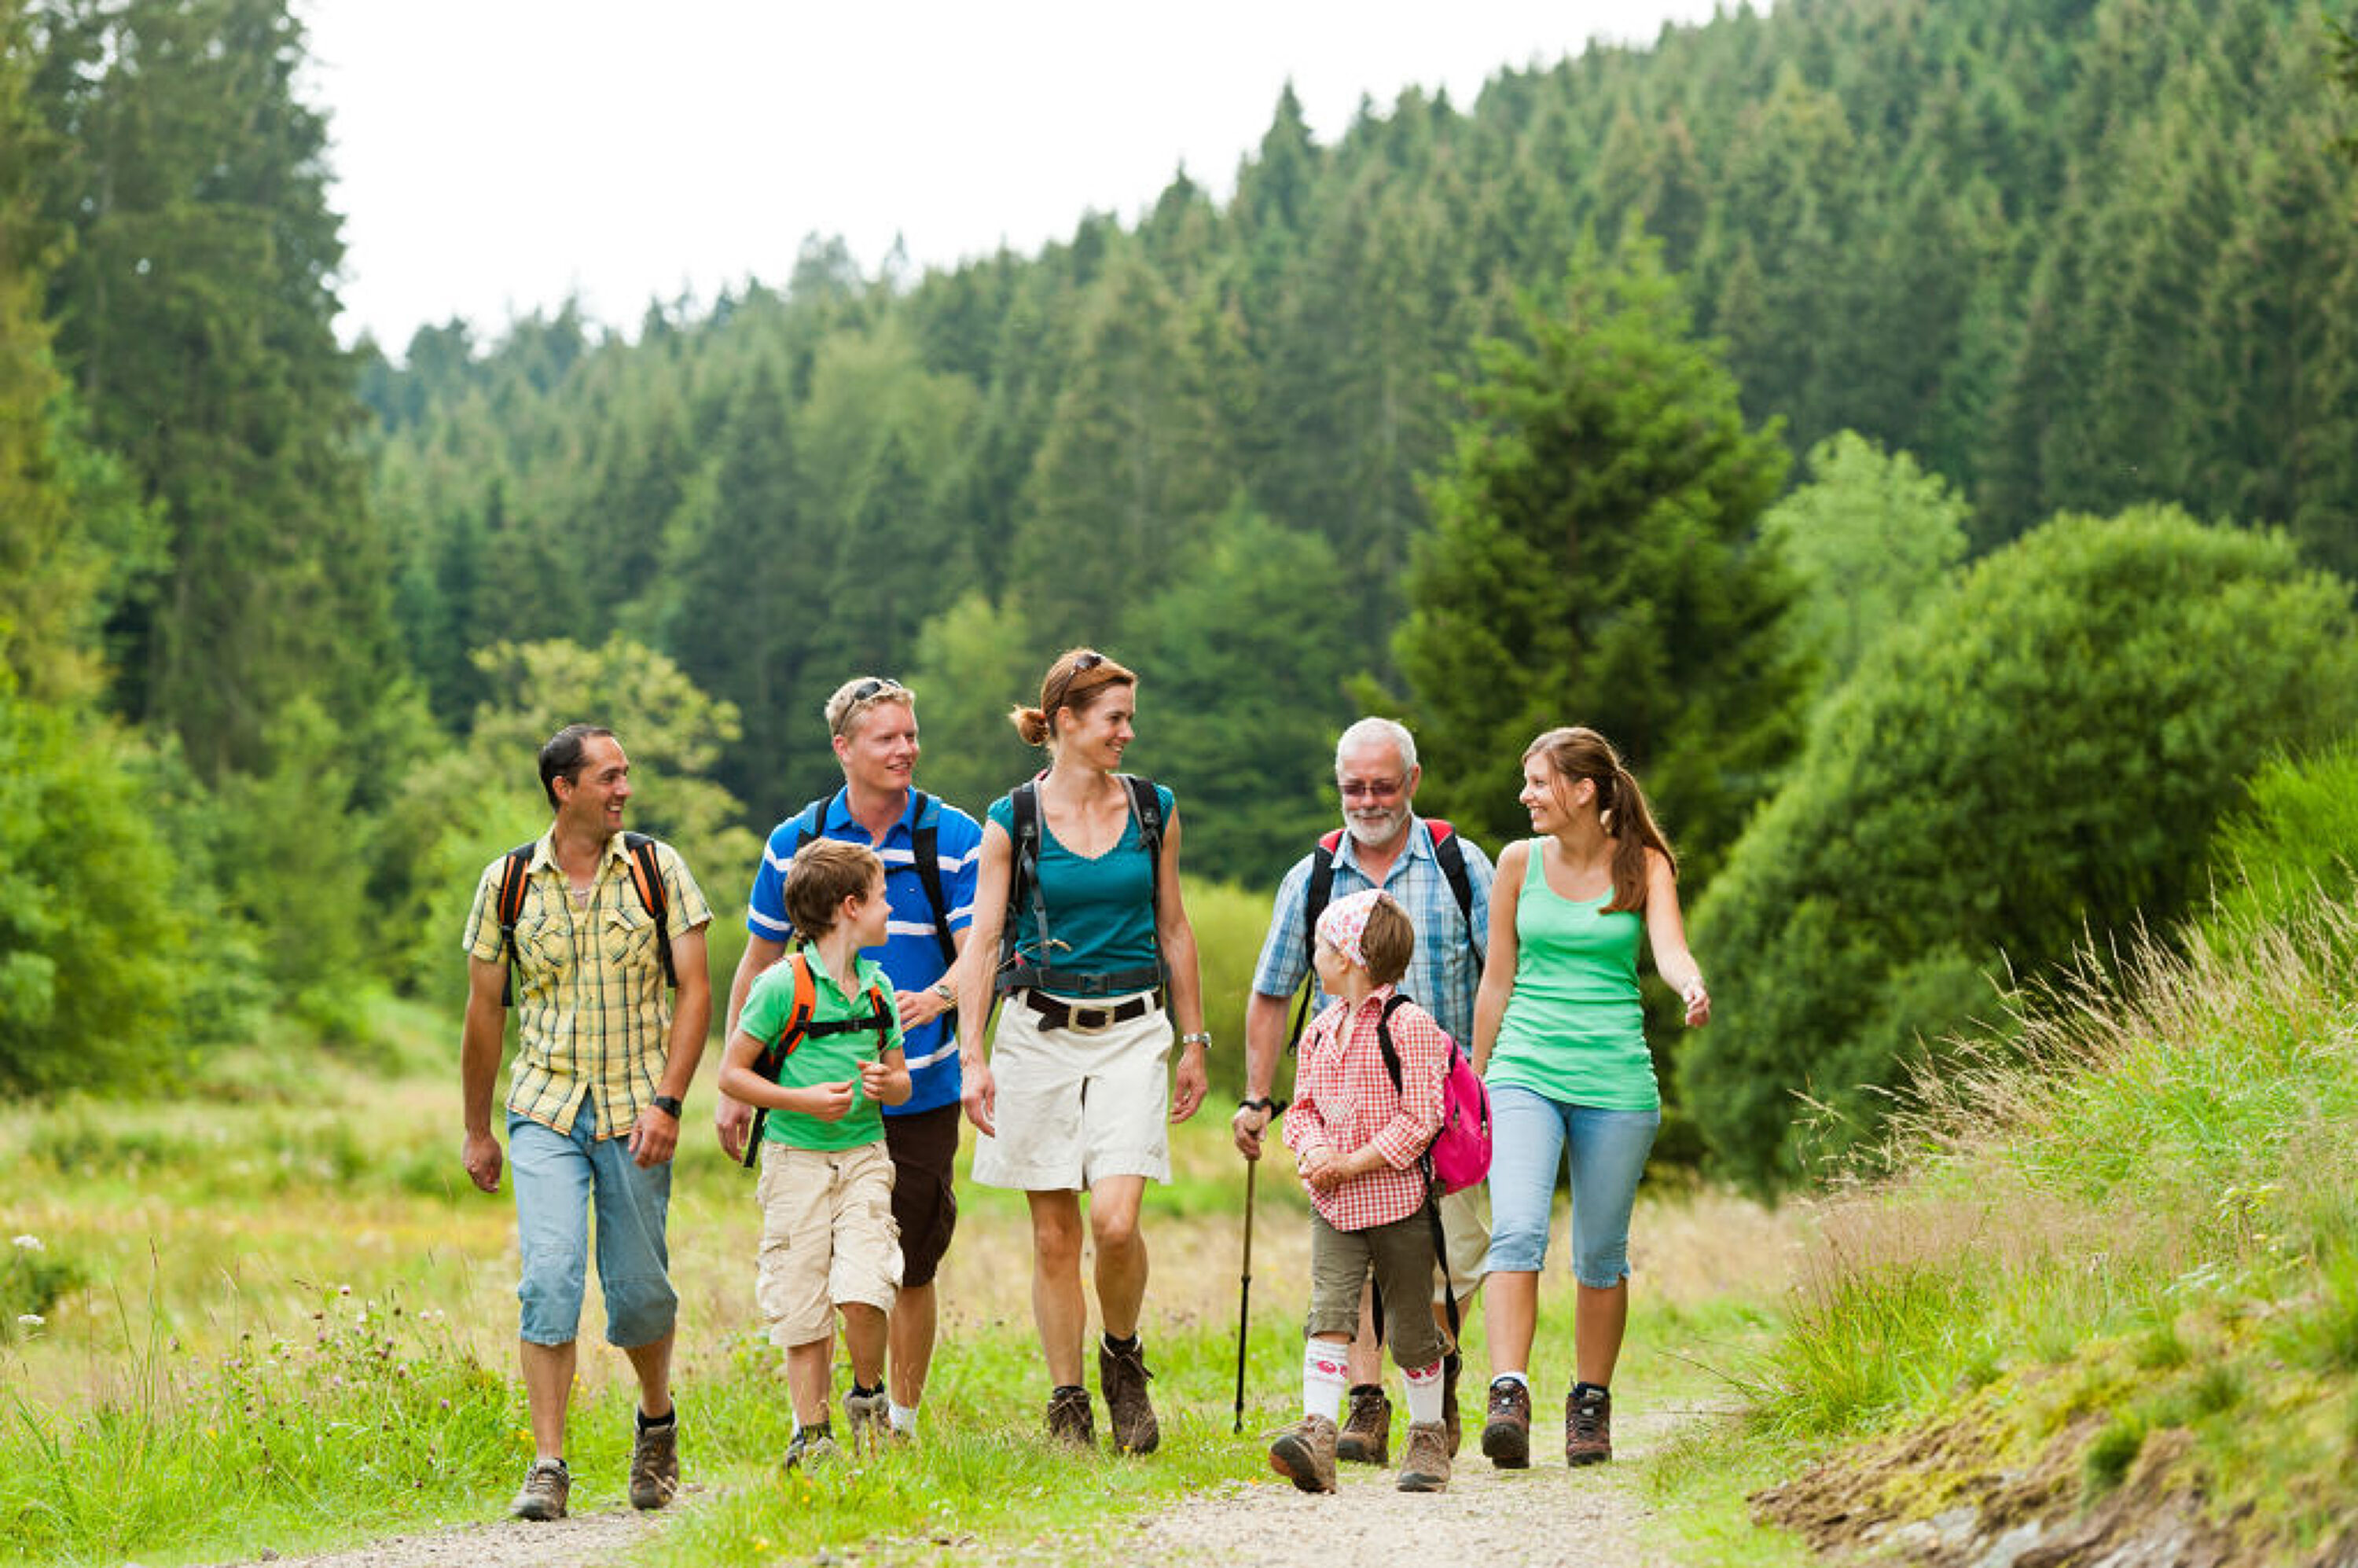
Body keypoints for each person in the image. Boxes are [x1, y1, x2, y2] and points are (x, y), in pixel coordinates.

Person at [952, 648, 1211, 1452]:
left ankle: (1122, 1358)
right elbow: (985, 939)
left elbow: (1174, 926)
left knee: (1118, 1220)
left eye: (1129, 719)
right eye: (1114, 720)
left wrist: (1195, 1038)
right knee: (1055, 1236)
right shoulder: (1012, 822)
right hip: (1037, 1032)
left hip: (1134, 1030)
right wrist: (971, 1054)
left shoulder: (1153, 808)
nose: (1127, 734)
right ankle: (1068, 1401)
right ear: (1066, 721)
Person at [716, 676, 982, 1442]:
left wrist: (928, 1003)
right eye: (887, 738)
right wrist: (741, 1091)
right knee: (808, 1257)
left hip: (918, 1087)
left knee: (911, 1260)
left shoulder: (951, 837)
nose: (907, 749)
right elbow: (758, 960)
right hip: (809, 1095)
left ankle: (896, 1418)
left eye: (911, 733)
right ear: (844, 749)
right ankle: (819, 1424)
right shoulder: (794, 842)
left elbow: (982, 954)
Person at [459, 724, 713, 1521]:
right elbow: (482, 1014)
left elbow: (696, 991)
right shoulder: (506, 884)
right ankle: (548, 1464)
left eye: (626, 775)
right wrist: (476, 1128)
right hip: (544, 1106)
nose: (623, 790)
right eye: (608, 777)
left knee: (639, 1293)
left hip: (637, 1105)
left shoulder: (656, 868)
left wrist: (670, 1101)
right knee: (550, 1278)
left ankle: (656, 1416)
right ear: (564, 788)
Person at [1234, 716, 1496, 1462]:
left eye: (1384, 785)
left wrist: (1490, 1077)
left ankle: (1432, 1379)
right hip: (1351, 1123)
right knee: (1350, 1273)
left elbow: (1498, 971)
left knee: (1453, 1260)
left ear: (1412, 781)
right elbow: (1271, 990)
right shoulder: (1311, 879)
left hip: (1444, 1113)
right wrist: (1264, 1100)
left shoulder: (1457, 863)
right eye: (1355, 786)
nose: (1369, 799)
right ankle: (1364, 1403)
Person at [1471, 726, 1709, 1470]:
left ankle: (1590, 1403)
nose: (1526, 795)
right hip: (1525, 1070)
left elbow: (1668, 945)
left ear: (1582, 790)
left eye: (1539, 782)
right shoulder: (1518, 863)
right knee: (1514, 1231)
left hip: (1615, 1080)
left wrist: (1689, 983)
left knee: (1600, 1254)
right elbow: (1497, 979)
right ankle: (1507, 1394)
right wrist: (1476, 1082)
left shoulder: (1643, 863)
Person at [718, 839, 913, 1467]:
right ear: (850, 907)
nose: (891, 909)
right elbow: (732, 1074)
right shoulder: (782, 986)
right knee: (800, 1303)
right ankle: (814, 1433)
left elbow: (901, 1078)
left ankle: (867, 1396)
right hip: (794, 1163)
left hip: (863, 1156)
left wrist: (889, 1085)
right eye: (883, 898)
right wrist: (801, 1099)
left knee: (867, 1286)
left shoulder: (880, 990)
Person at [1269, 890, 1456, 1495]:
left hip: (1399, 1205)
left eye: (1324, 945)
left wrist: (1353, 1162)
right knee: (1329, 1314)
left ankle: (1428, 1433)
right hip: (1335, 1207)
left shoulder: (1410, 1025)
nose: (1315, 955)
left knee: (1408, 1327)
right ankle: (1318, 1433)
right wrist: (1315, 1150)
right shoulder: (1321, 1032)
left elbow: (1421, 1116)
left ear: (1351, 956)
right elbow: (1300, 1111)